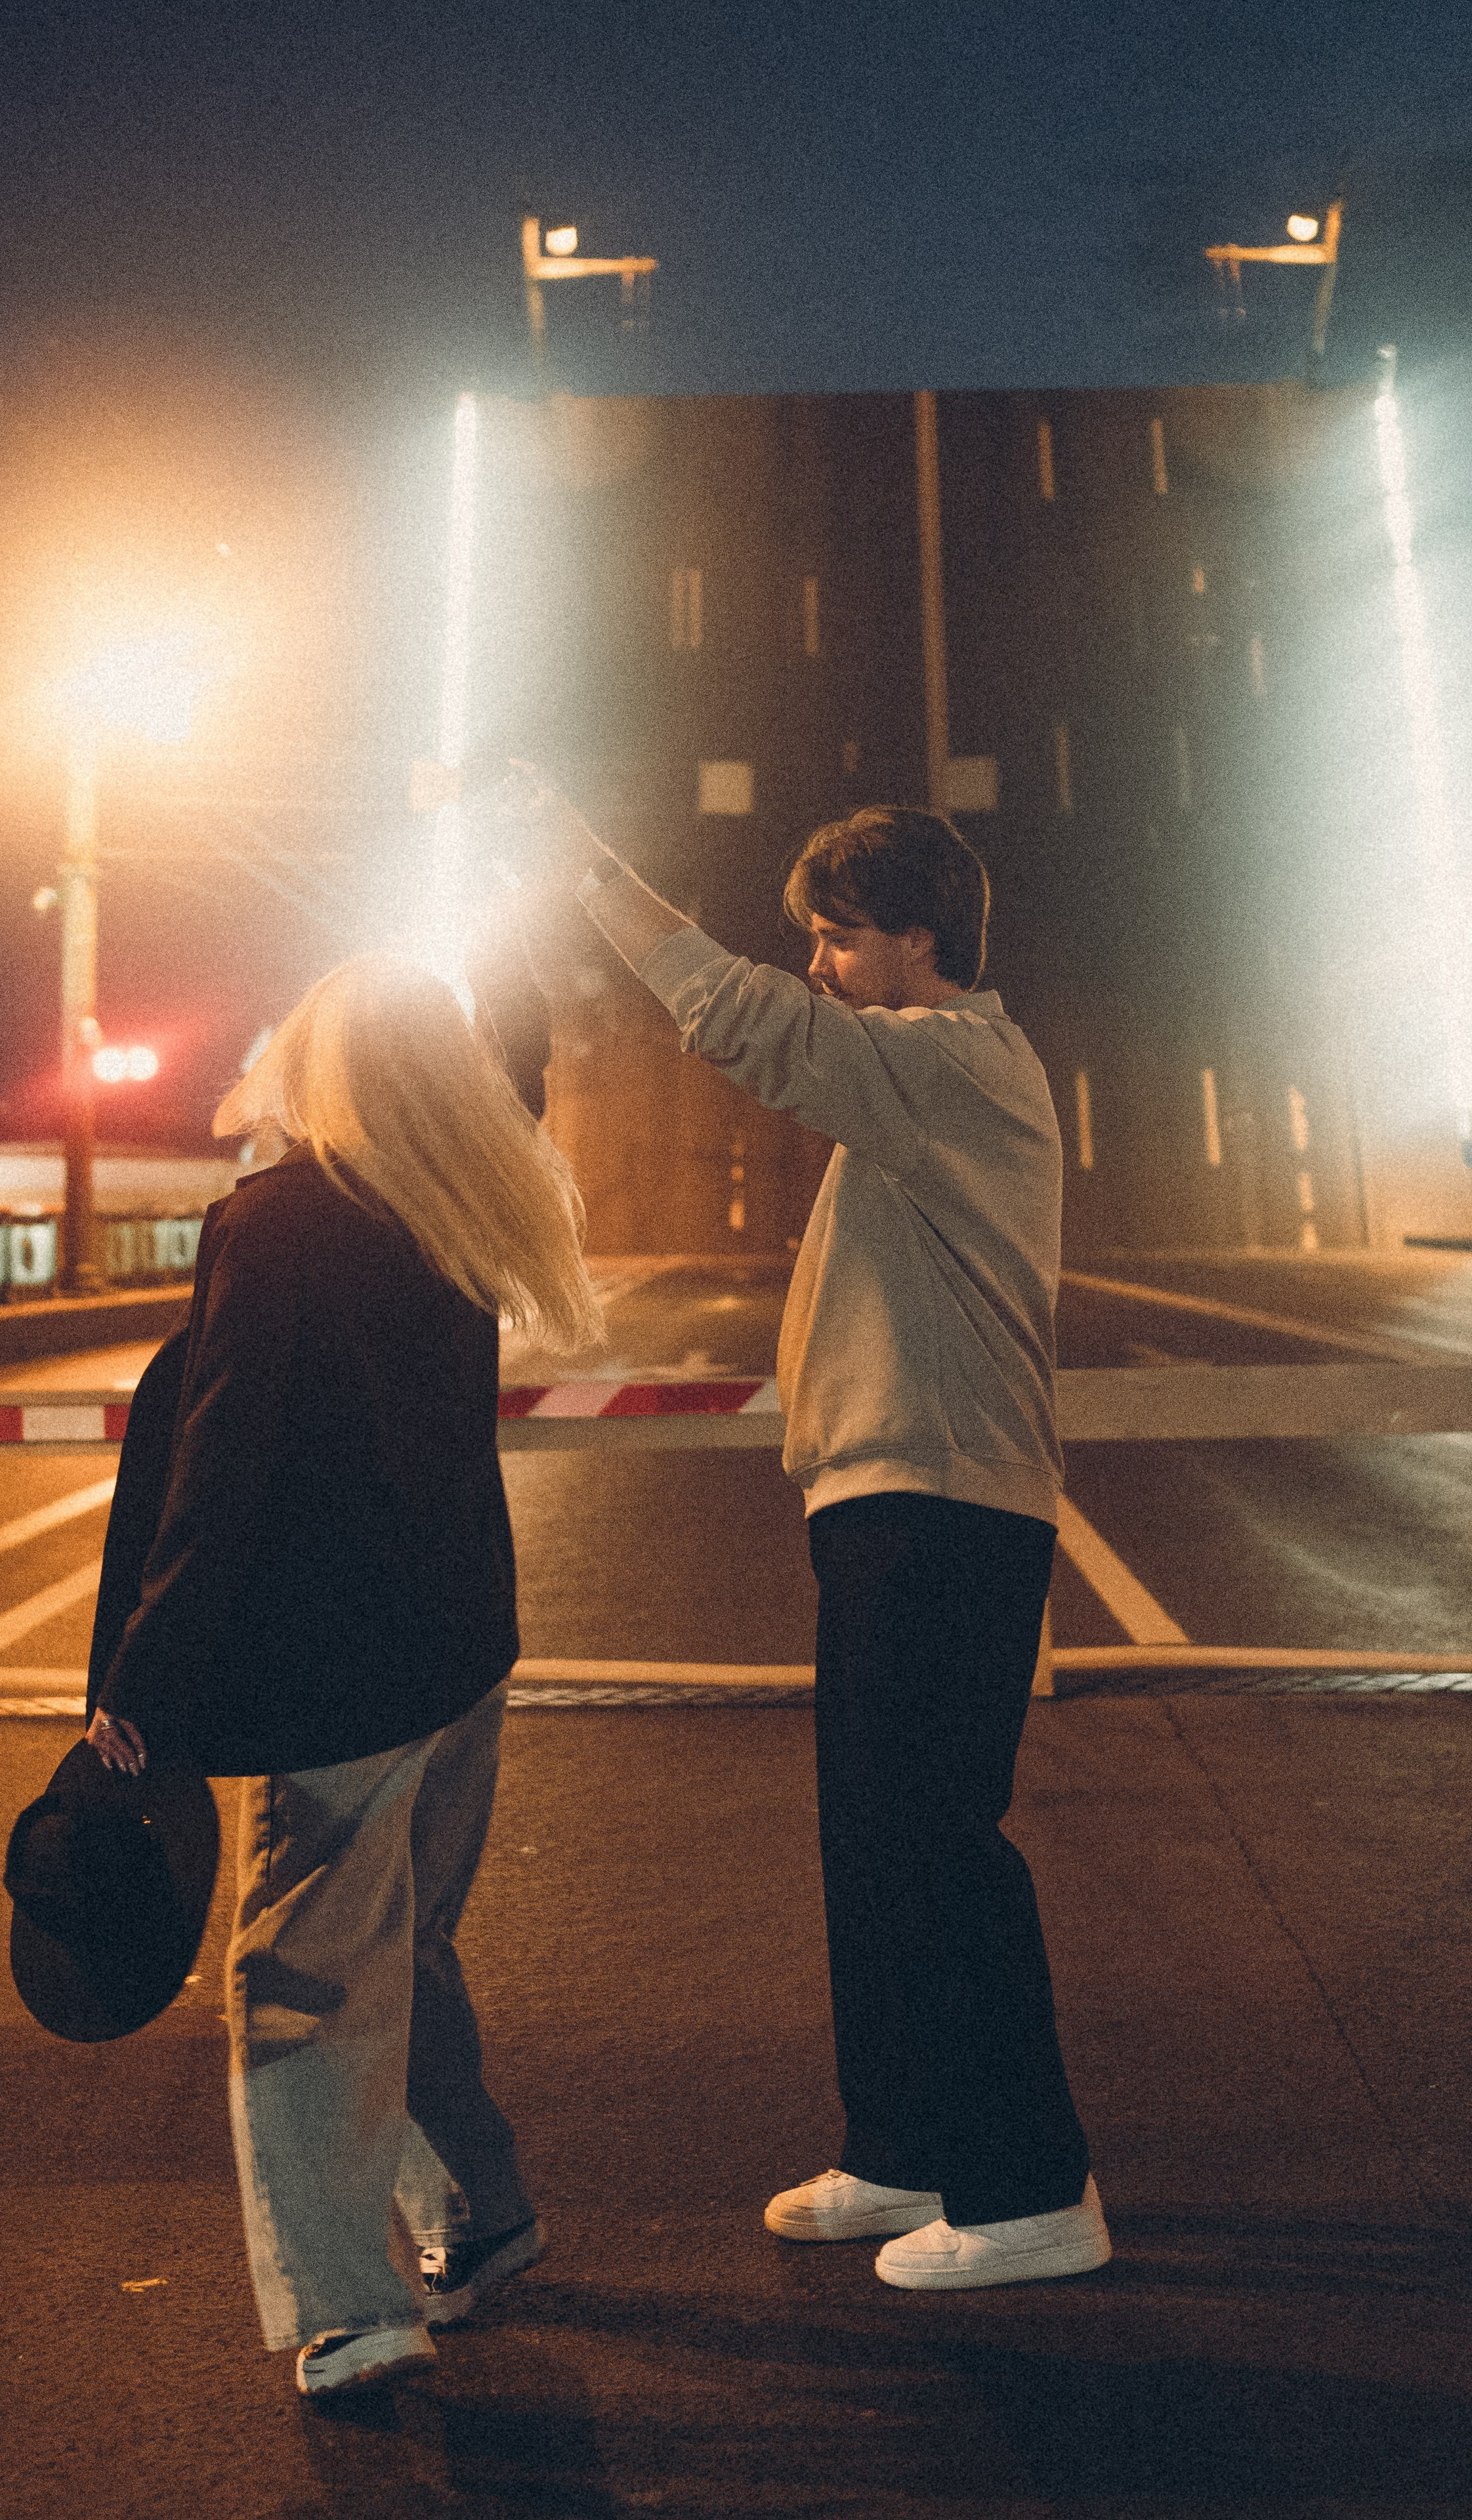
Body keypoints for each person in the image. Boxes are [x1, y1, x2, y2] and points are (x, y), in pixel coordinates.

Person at [526, 787, 1109, 2294]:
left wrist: (595, 875)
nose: (820, 968)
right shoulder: (914, 1076)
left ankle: (1031, 2187)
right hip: (886, 1492)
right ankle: (904, 2146)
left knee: (935, 1847)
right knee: (873, 1848)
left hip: (945, 1501)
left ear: (921, 937)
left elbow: (748, 1029)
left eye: (838, 939)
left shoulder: (953, 1061)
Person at [84, 943, 602, 2392]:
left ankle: (348, 2302)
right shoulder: (452, 1202)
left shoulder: (280, 1215)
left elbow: (223, 1461)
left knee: (304, 1970)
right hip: (459, 1648)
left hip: (337, 1661)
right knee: (404, 1944)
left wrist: (145, 1676)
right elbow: (516, 1083)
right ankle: (484, 2220)